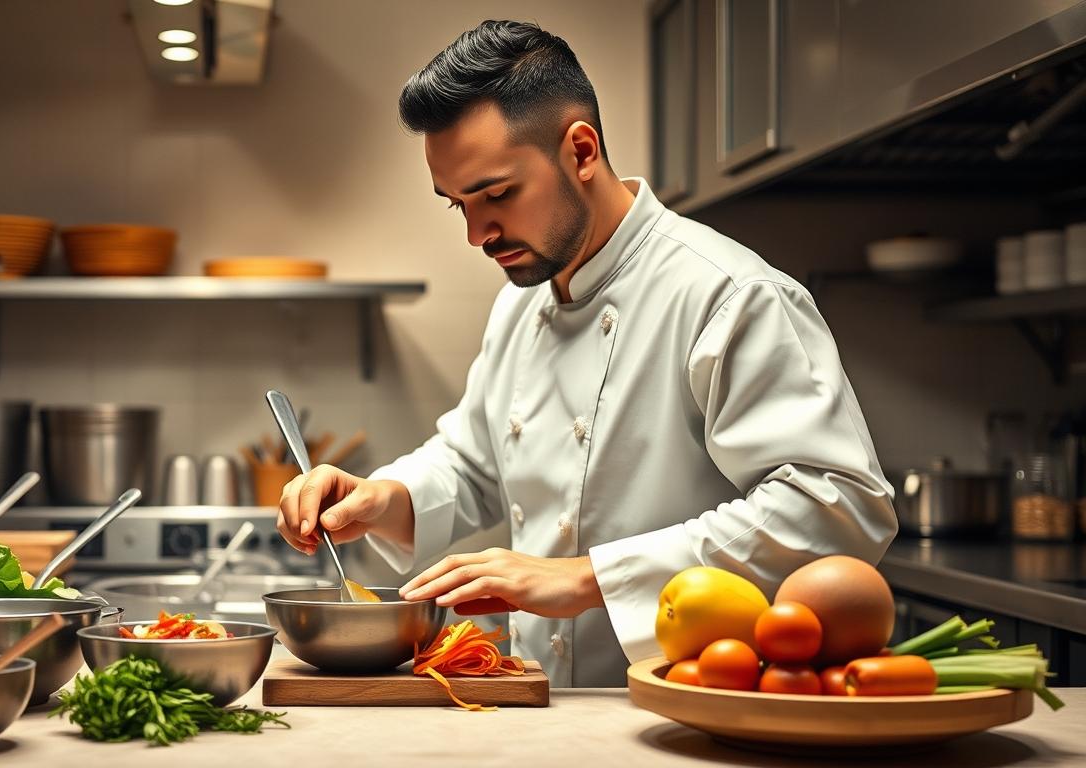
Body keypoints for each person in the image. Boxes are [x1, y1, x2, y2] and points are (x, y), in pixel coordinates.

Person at [276, 19, 897, 687]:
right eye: (459, 205)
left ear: (581, 149)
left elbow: (838, 506)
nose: (478, 233)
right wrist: (383, 496)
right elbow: (475, 463)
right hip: (544, 709)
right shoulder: (523, 298)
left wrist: (590, 576)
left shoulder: (728, 294)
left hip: (698, 711)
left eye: (498, 194)